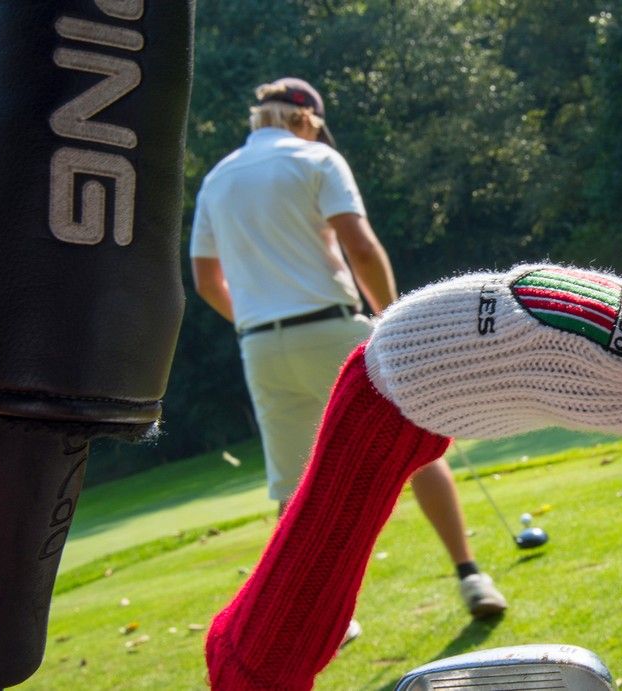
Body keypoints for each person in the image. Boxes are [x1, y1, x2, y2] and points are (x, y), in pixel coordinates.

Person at [189, 77, 507, 636]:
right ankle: (470, 575)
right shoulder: (317, 159)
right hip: (331, 329)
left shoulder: (217, 178)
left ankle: (317, 619)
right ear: (306, 118)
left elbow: (205, 280)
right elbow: (359, 246)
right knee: (416, 444)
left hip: (260, 346)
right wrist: (392, 315)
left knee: (294, 487)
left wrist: (251, 320)